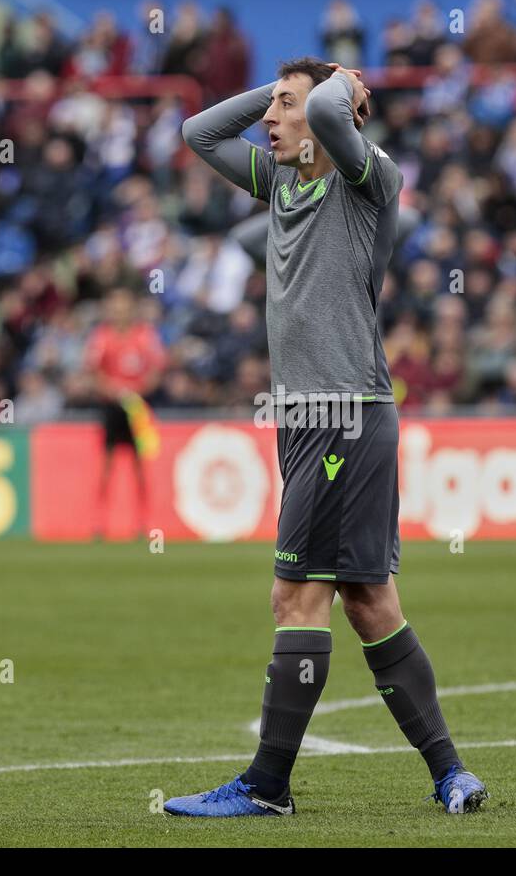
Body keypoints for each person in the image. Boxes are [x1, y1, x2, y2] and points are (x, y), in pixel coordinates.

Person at [173, 57, 486, 816]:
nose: (268, 120)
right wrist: (284, 88)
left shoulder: (363, 177)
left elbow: (322, 120)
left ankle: (266, 786)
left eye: (284, 107)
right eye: (270, 105)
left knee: (295, 596)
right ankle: (451, 774)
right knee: (369, 601)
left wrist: (335, 87)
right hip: (309, 417)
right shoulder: (284, 181)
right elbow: (197, 131)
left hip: (343, 412)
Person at [83, 288, 166, 539]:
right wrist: (114, 390)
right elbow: (93, 371)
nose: (119, 312)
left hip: (137, 408)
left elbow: (157, 367)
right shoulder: (102, 336)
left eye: (124, 306)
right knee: (106, 465)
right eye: (115, 307)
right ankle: (99, 523)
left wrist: (137, 390)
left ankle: (143, 523)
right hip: (111, 407)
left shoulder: (144, 335)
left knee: (140, 465)